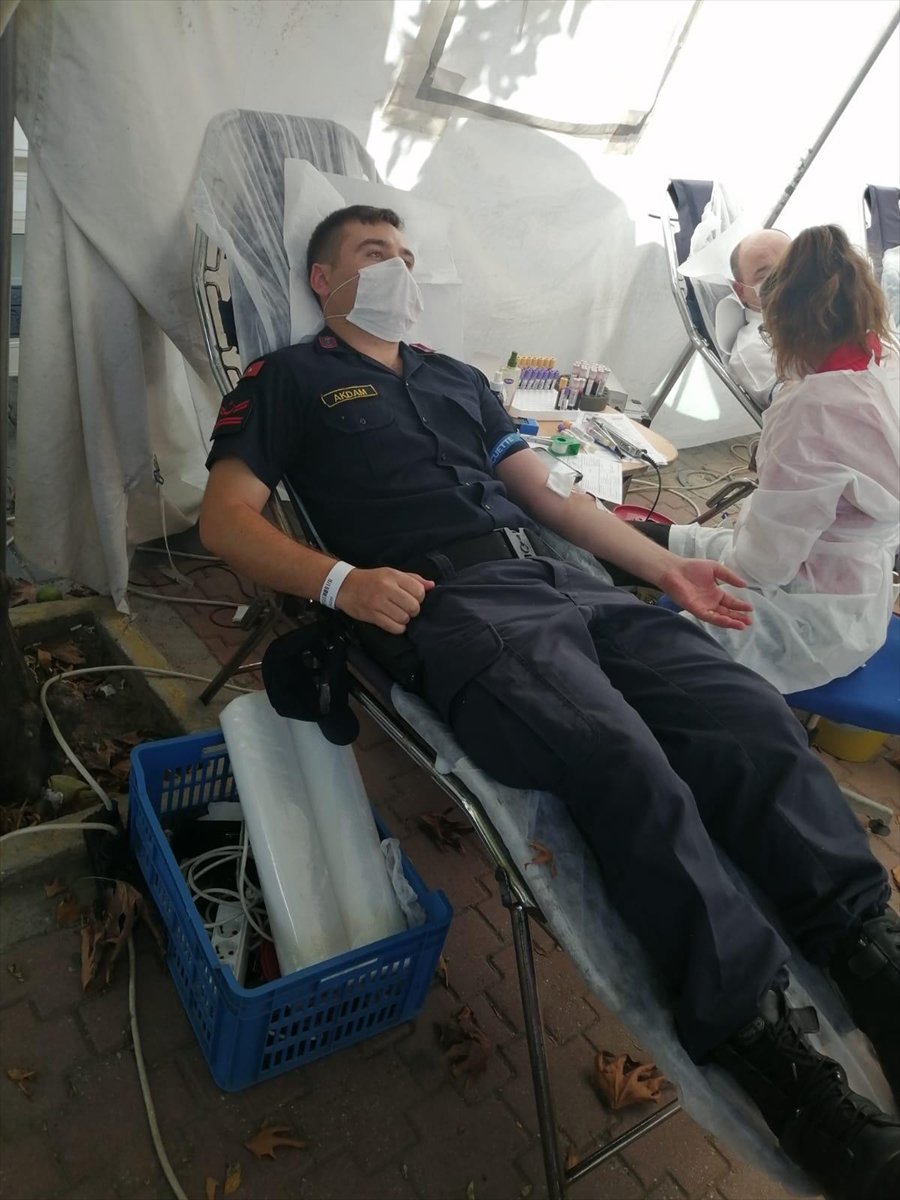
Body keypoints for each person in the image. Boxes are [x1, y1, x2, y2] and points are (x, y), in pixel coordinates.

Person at [199, 205, 900, 1200]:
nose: (398, 266)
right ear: (322, 278)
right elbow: (224, 518)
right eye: (373, 253)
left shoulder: (455, 378)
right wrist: (338, 583)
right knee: (621, 760)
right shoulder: (288, 379)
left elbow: (550, 498)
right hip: (450, 605)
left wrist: (665, 569)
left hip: (559, 580)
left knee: (747, 716)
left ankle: (866, 952)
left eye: (406, 252)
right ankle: (771, 1055)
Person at [668, 224, 900, 695]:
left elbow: (761, 568)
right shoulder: (884, 364)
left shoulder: (810, 409)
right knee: (664, 540)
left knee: (649, 648)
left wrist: (700, 561)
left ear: (780, 315)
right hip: (856, 594)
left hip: (806, 623)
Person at [724, 229, 792, 407]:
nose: (786, 279)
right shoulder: (752, 348)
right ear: (741, 291)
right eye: (766, 276)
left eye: (791, 264)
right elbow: (801, 404)